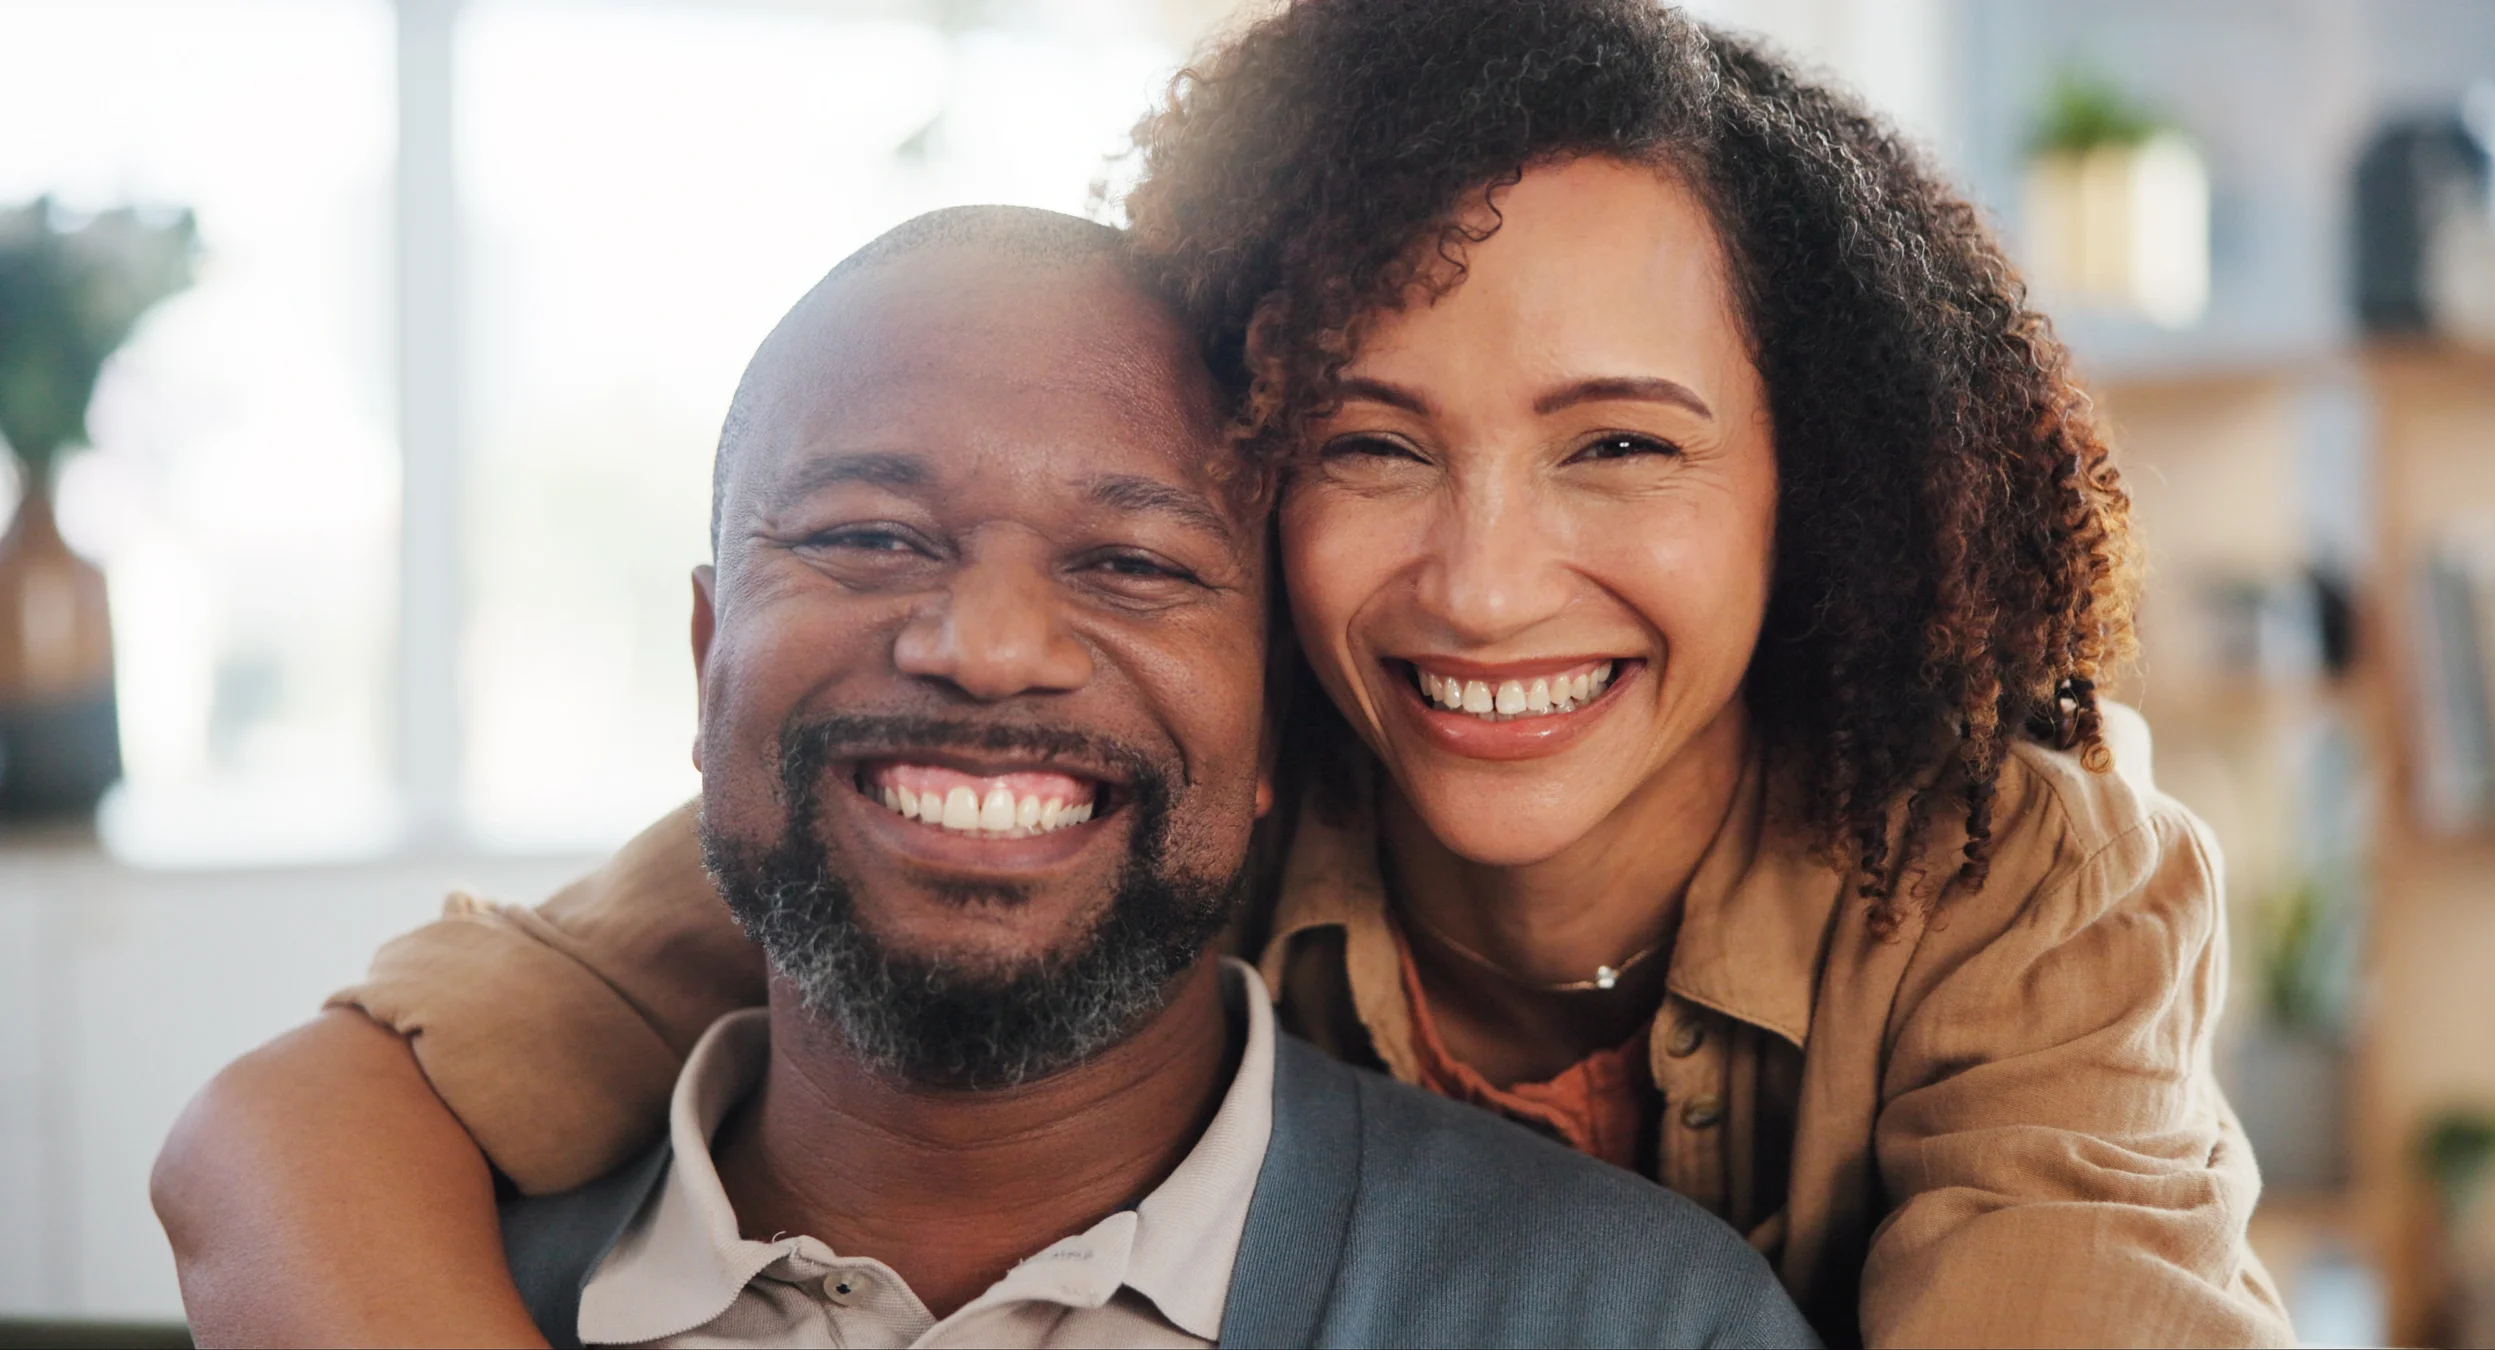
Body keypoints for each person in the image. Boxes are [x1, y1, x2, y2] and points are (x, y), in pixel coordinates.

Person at [157, 2, 2295, 1346]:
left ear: (1799, 490)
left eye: (1619, 444)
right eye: (1370, 445)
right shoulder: (1101, 788)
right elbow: (289, 1131)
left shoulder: (1996, 865)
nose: (1480, 581)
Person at [158, 205, 1817, 1349]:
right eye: (868, 535)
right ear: (703, 655)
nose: (991, 643)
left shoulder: (1628, 1317)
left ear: (1275, 741)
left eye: (1139, 563)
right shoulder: (395, 1285)